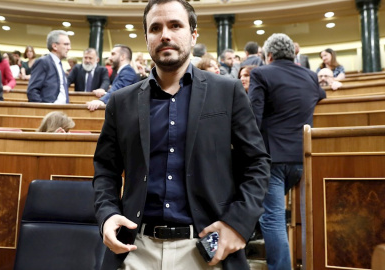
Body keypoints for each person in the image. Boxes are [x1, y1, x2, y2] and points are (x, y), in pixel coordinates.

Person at [93, 0, 271, 269]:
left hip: (207, 250)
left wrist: (238, 224)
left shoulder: (228, 92)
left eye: (175, 25)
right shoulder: (120, 102)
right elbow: (106, 169)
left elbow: (257, 163)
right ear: (147, 38)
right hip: (135, 250)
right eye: (155, 28)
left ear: (193, 34)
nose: (165, 34)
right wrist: (107, 214)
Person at [248, 33, 326, 270]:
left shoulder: (260, 73)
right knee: (307, 217)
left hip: (272, 159)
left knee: (273, 219)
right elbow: (321, 96)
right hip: (305, 157)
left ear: (268, 55)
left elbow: (254, 118)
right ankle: (308, 263)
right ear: (293, 54)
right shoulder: (311, 76)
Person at [86, 44, 139, 111]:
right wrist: (106, 93)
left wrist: (101, 101)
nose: (109, 58)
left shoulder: (127, 72)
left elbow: (118, 89)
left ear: (122, 57)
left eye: (113, 54)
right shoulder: (123, 71)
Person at [27, 30, 71, 103]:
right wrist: (43, 110)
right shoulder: (43, 62)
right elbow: (32, 91)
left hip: (62, 110)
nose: (69, 48)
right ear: (54, 46)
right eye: (66, 44)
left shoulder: (59, 63)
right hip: (49, 111)